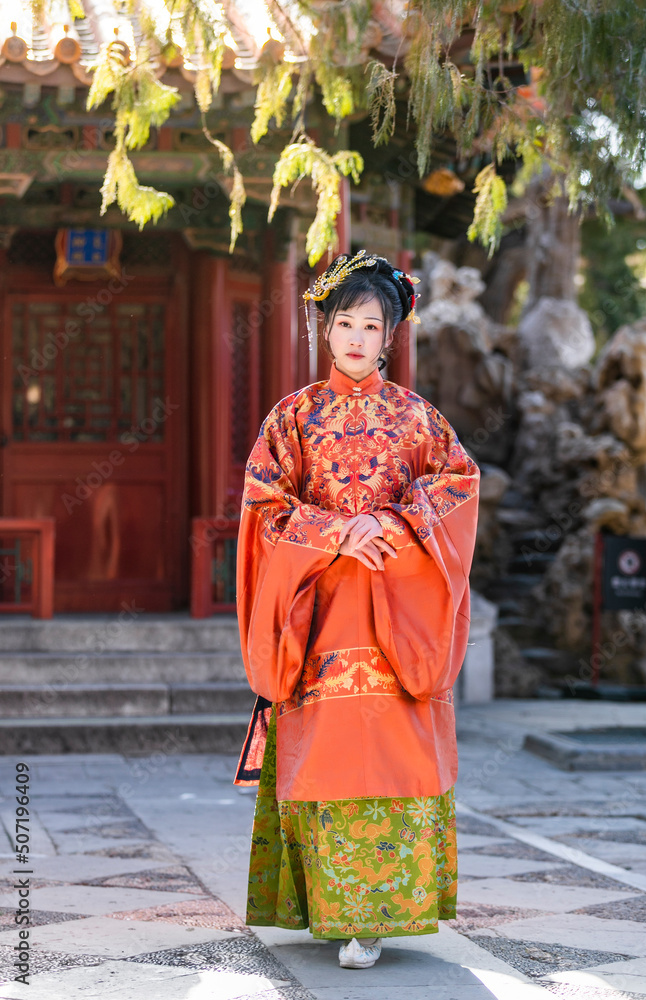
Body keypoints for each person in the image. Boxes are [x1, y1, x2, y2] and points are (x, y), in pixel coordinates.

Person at [233, 249, 480, 969]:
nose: (354, 338)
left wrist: (395, 524)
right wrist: (335, 529)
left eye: (370, 326)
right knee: (327, 762)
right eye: (343, 323)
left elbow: (459, 488)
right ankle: (323, 911)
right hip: (319, 614)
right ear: (326, 328)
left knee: (389, 760)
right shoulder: (293, 418)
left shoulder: (418, 419)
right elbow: (263, 509)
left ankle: (371, 921)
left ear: (389, 336)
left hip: (395, 618)